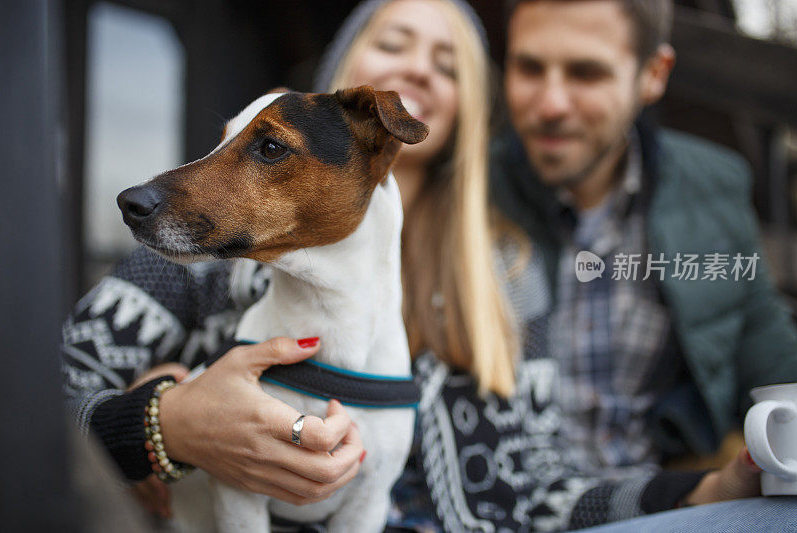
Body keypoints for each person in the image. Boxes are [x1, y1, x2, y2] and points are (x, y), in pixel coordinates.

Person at [62, 0, 766, 531]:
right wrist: (159, 422)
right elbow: (45, 391)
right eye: (392, 42)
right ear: (345, 81)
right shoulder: (214, 247)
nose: (417, 67)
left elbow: (535, 488)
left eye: (448, 61)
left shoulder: (508, 277)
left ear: (463, 109)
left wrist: (696, 492)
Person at [493, 0, 797, 476]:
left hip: (669, 503)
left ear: (653, 73)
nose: (550, 103)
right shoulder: (469, 193)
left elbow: (773, 363)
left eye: (585, 73)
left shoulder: (712, 188)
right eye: (529, 68)